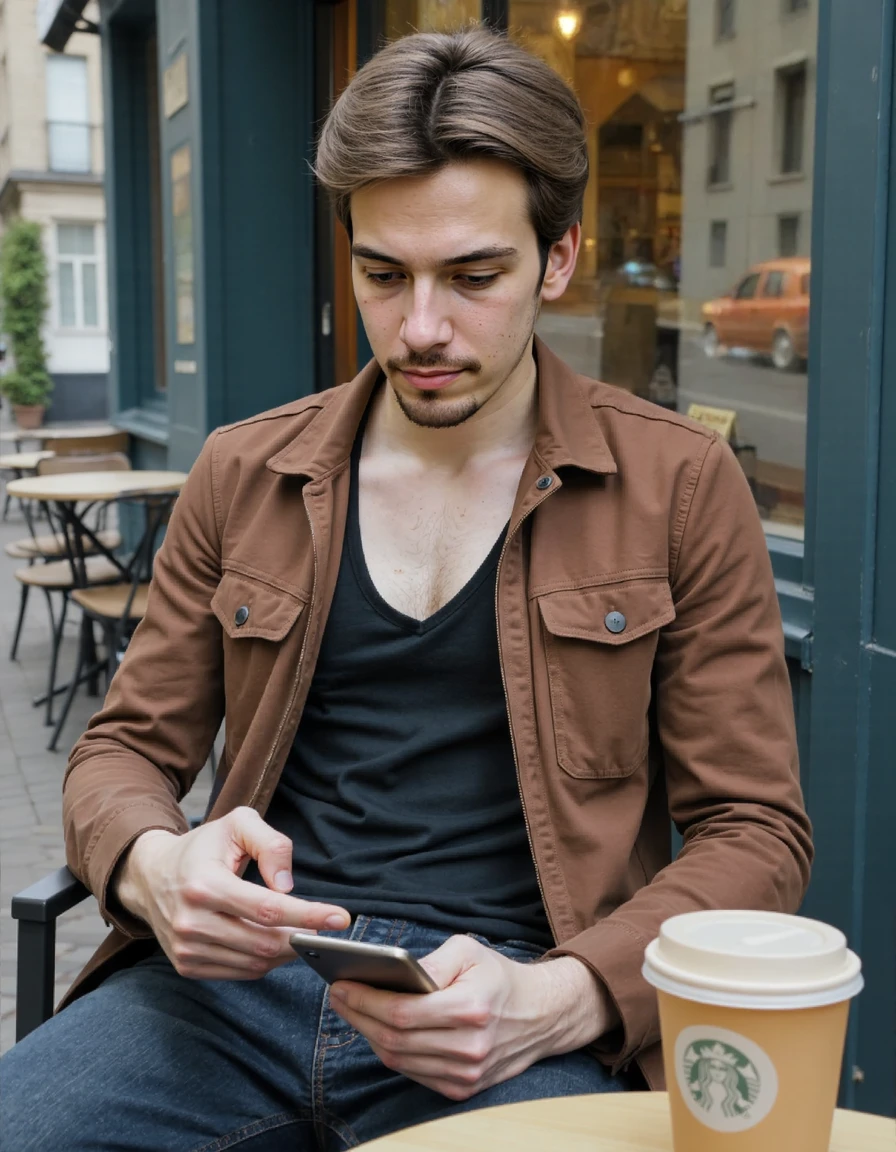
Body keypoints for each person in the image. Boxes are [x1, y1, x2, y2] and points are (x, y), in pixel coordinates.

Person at [1, 27, 812, 1152]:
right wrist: (153, 866)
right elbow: (121, 751)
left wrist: (567, 997)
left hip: (517, 1008)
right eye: (382, 275)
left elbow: (755, 831)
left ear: (559, 259)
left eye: (473, 276)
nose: (420, 328)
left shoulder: (676, 485)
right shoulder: (245, 473)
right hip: (234, 992)